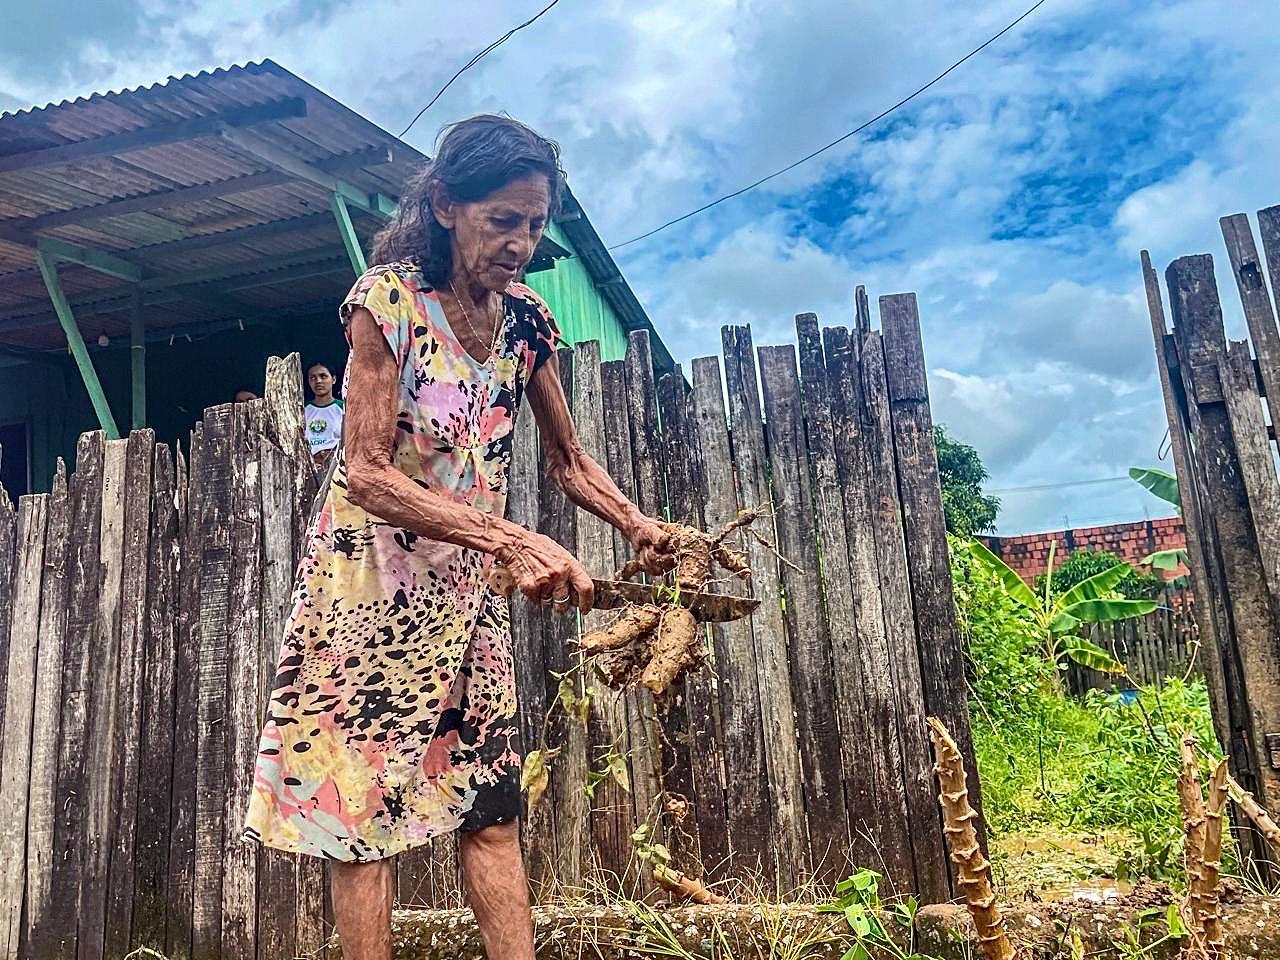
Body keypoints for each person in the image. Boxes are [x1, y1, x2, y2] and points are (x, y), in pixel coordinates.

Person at [242, 115, 675, 960]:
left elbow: (569, 461)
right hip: (367, 600)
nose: (521, 243)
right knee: (360, 824)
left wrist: (638, 525)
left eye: (535, 224)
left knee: (491, 809)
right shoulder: (389, 304)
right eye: (502, 220)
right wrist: (507, 539)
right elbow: (365, 471)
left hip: (467, 604)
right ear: (444, 205)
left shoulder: (528, 323)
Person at [304, 362, 344, 468]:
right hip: (308, 466)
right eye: (313, 378)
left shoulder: (344, 408)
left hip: (337, 467)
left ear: (334, 379)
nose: (318, 381)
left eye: (323, 376)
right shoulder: (302, 410)